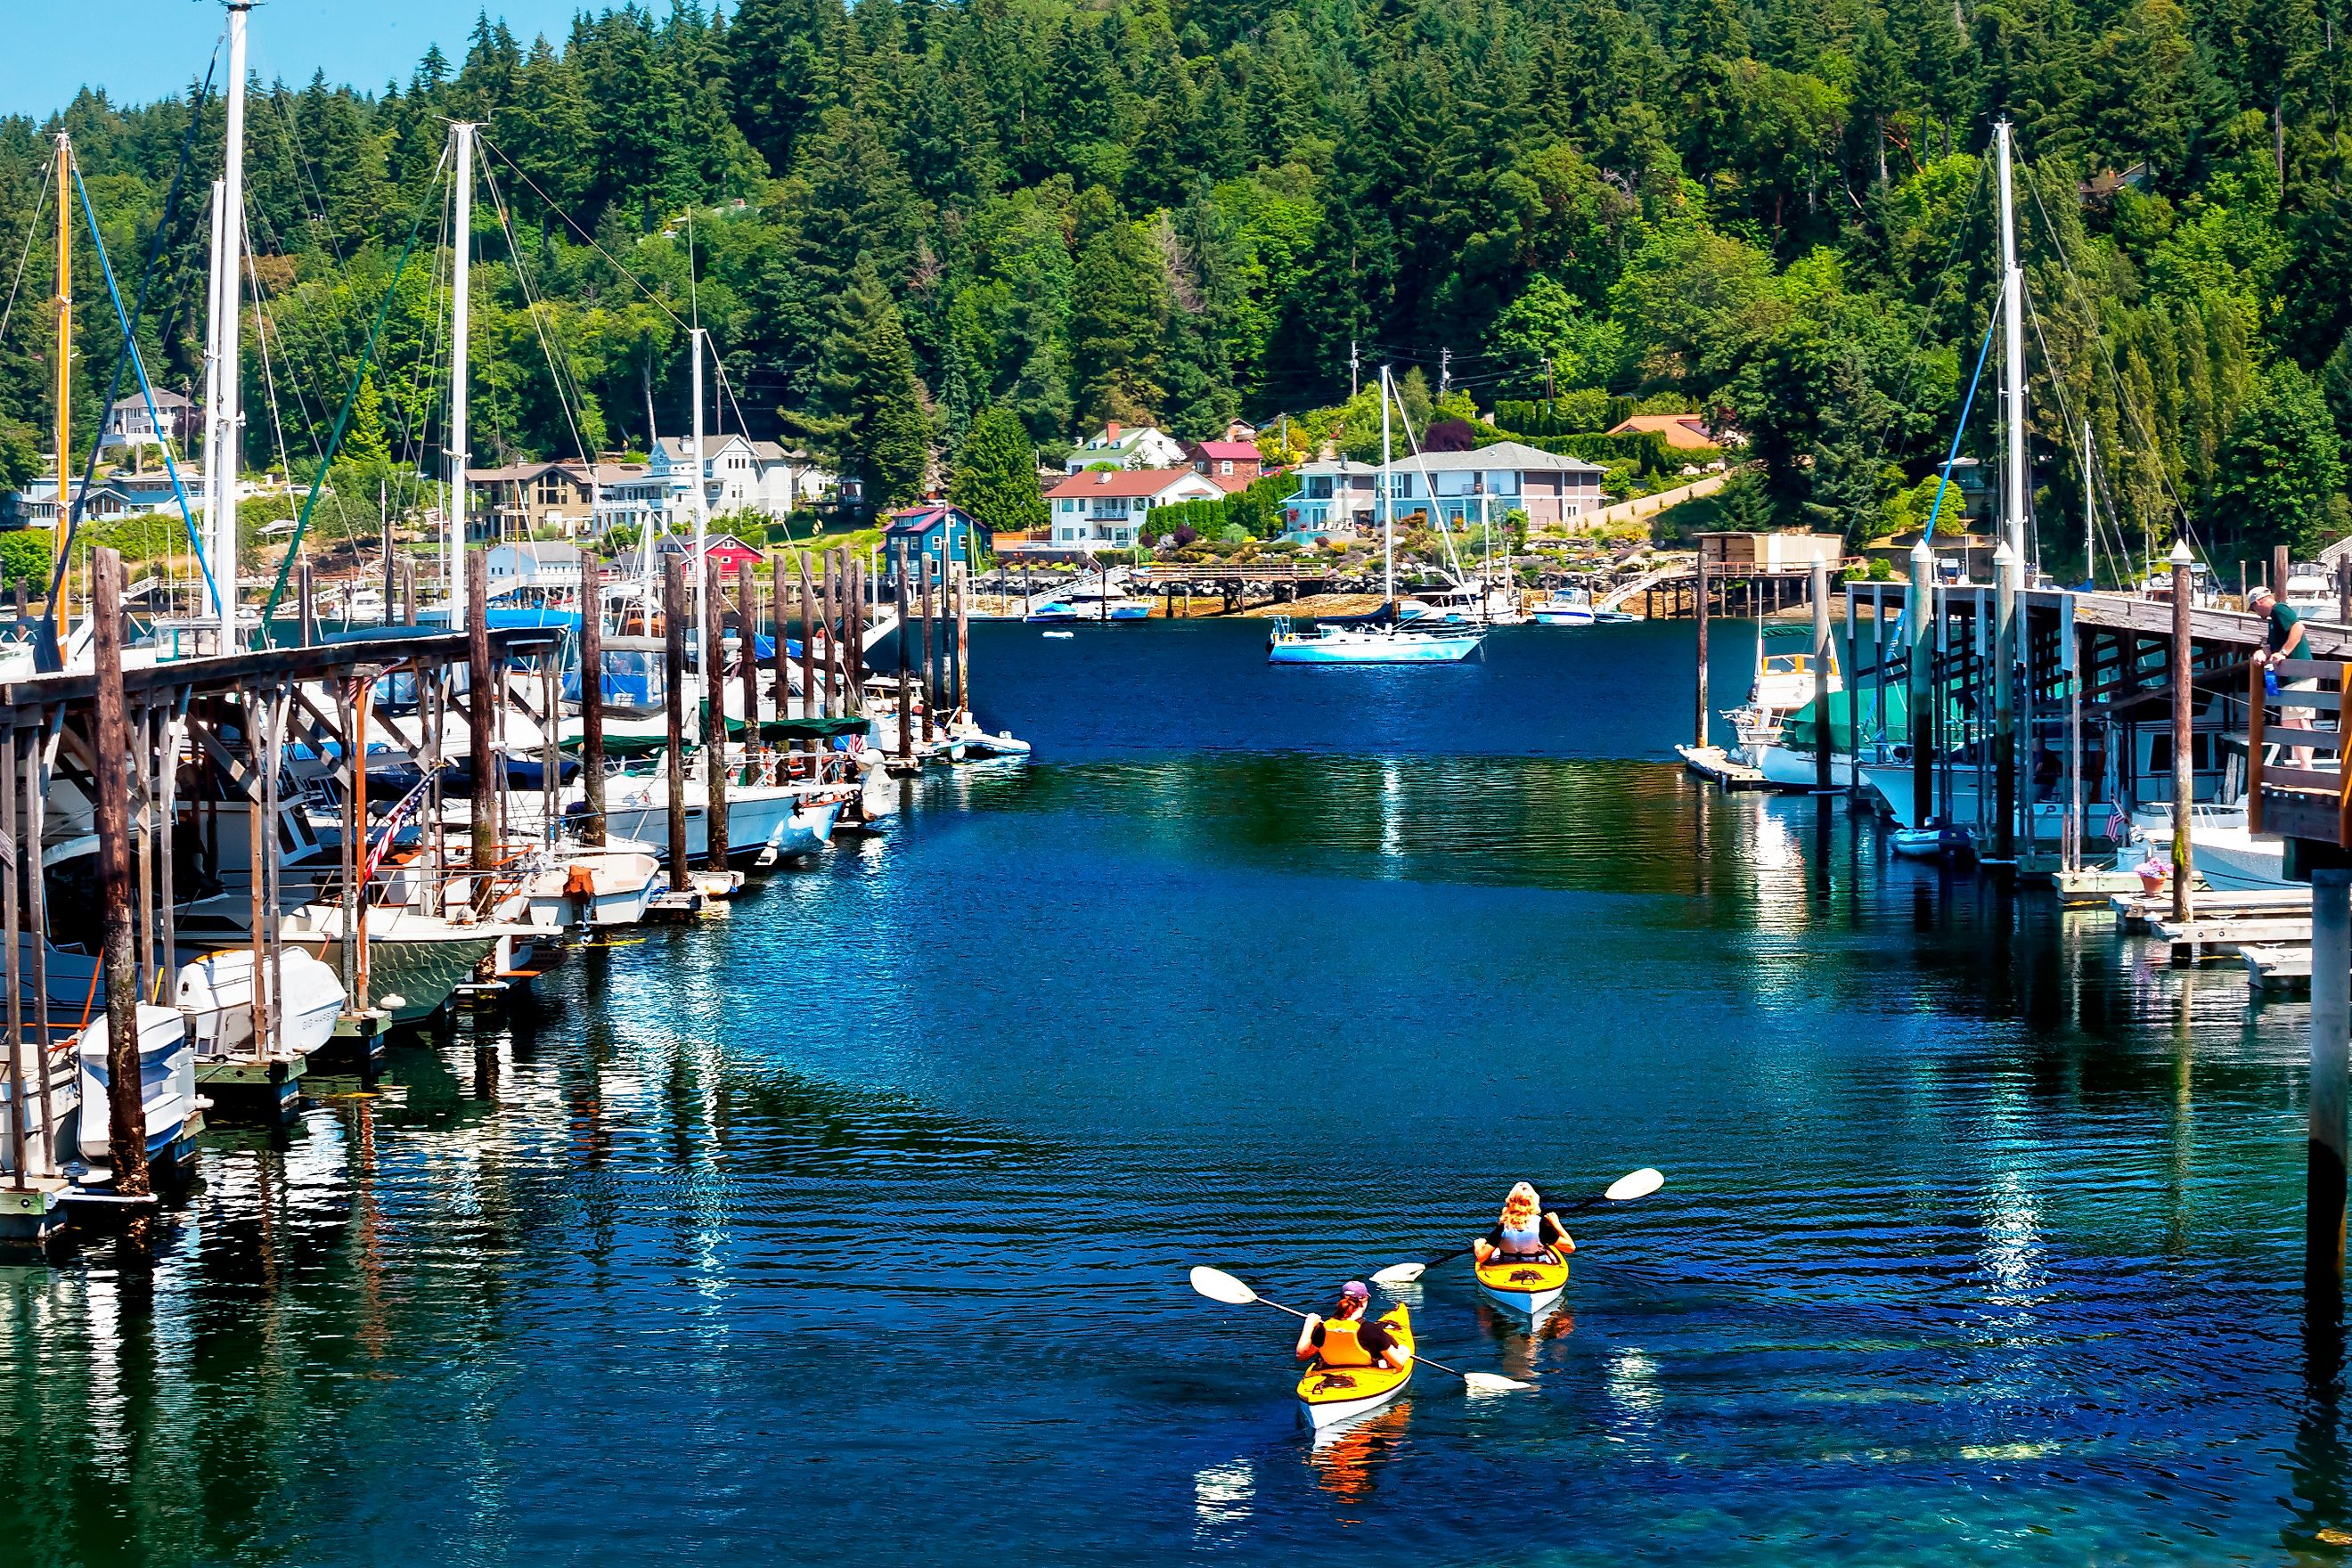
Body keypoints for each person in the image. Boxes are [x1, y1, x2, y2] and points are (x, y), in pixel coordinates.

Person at [2251, 586, 2315, 766]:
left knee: (2293, 723)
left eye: (2254, 609)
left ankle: (2306, 767)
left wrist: (2284, 652)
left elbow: (2298, 627)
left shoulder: (2279, 609)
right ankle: (2306, 765)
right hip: (2295, 678)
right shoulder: (2274, 620)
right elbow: (2272, 646)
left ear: (2259, 602)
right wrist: (2263, 651)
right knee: (2300, 721)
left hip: (2298, 678)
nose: (2256, 613)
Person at [1295, 1282, 1409, 1371]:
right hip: (1369, 1376)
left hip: (1329, 1375)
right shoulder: (1372, 1331)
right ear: (1364, 1301)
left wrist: (1309, 1324)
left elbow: (1301, 1355)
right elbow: (1398, 1363)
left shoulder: (1324, 1329)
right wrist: (1405, 1351)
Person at [1472, 1181, 1575, 1268]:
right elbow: (1570, 1248)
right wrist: (1557, 1224)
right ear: (1534, 1201)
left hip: (1507, 1267)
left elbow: (1481, 1257)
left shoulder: (1503, 1227)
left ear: (1510, 1202)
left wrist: (1478, 1244)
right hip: (1538, 1267)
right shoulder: (1541, 1226)